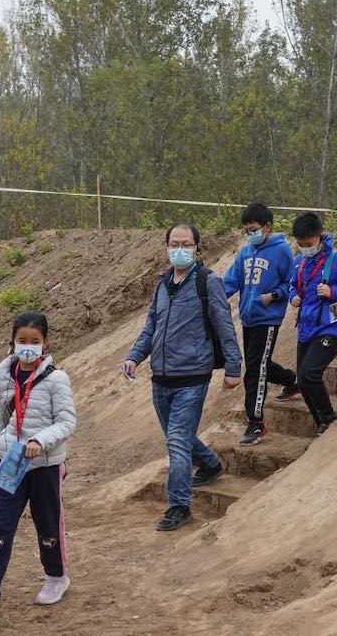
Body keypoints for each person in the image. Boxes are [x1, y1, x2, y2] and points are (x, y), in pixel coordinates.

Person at [0, 311, 77, 633]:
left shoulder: (57, 379)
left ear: (45, 343)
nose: (28, 347)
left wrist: (41, 440)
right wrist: (3, 445)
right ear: (13, 342)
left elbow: (68, 422)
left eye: (35, 342)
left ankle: (56, 577)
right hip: (12, 464)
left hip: (44, 466)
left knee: (48, 526)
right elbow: (3, 414)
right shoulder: (4, 373)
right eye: (22, 341)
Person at [124, 224, 242, 532]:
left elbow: (224, 325)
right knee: (180, 437)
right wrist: (134, 356)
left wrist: (233, 367)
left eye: (186, 244)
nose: (179, 248)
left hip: (192, 377)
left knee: (176, 443)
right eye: (174, 243)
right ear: (166, 247)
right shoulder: (162, 285)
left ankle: (179, 506)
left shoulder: (208, 282)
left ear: (197, 248)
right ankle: (212, 463)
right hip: (160, 379)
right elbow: (151, 327)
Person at [222, 203, 297, 446]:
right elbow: (231, 281)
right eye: (246, 231)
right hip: (248, 318)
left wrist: (274, 296)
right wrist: (211, 297)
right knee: (259, 362)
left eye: (253, 229)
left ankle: (256, 423)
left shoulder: (282, 251)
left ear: (267, 227)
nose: (250, 234)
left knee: (255, 369)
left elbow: (292, 283)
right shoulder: (245, 253)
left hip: (268, 318)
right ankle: (292, 381)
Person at [289, 213, 337, 436]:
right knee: (302, 380)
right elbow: (292, 285)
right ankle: (320, 423)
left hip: (331, 327)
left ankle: (329, 419)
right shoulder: (299, 262)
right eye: (301, 244)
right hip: (306, 327)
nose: (305, 248)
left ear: (320, 237)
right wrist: (292, 296)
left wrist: (333, 291)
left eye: (309, 244)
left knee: (310, 373)